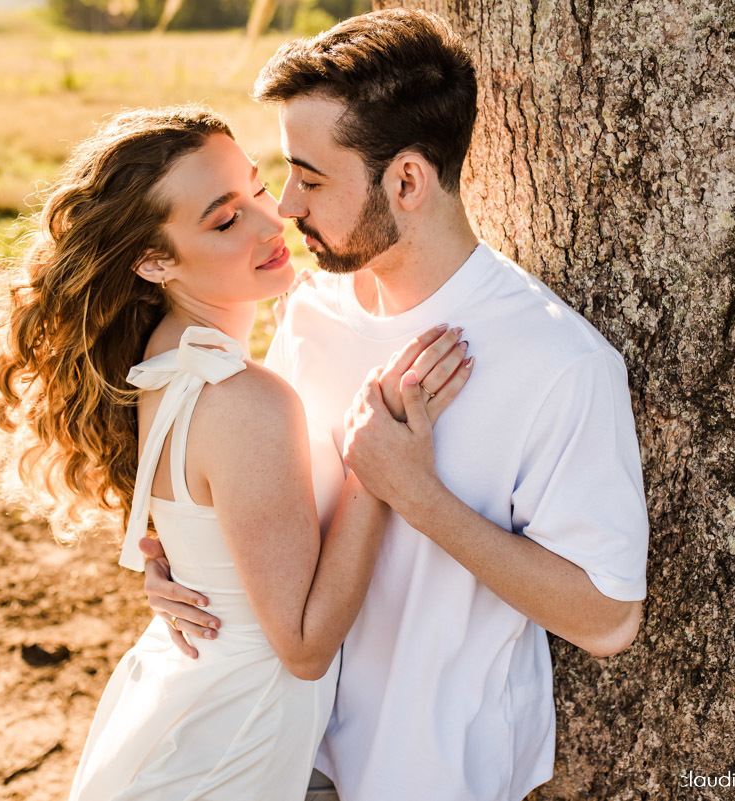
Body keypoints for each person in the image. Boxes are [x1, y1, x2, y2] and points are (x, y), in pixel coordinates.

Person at [140, 10, 651, 801]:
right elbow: (275, 496)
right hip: (282, 754)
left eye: (311, 177)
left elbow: (609, 617)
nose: (287, 205)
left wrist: (415, 493)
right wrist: (186, 562)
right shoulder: (312, 303)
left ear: (407, 181)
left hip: (428, 774)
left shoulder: (559, 363)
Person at [0, 107, 474, 799]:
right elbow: (301, 647)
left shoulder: (163, 355)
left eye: (258, 189)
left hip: (183, 705)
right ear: (155, 260)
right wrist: (374, 467)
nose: (273, 224)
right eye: (223, 219)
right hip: (229, 741)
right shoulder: (246, 399)